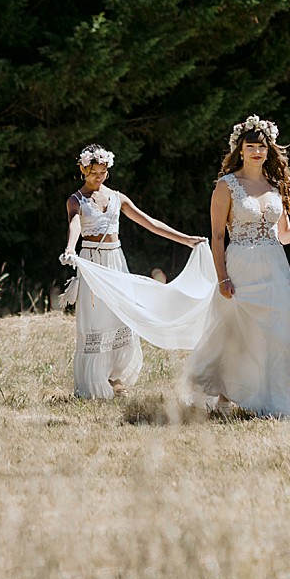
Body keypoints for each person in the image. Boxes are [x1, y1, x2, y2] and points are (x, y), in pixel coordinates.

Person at [180, 115, 290, 418]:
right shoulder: (226, 186)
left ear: (269, 150)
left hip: (275, 267)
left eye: (262, 147)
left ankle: (271, 395)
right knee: (236, 333)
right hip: (240, 265)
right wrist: (222, 277)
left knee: (277, 335)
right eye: (251, 147)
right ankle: (226, 393)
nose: (257, 152)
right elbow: (218, 236)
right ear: (240, 150)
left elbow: (283, 234)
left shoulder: (274, 186)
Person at [59, 144, 207, 399]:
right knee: (96, 319)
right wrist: (70, 248)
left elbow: (150, 223)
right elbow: (74, 223)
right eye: (93, 172)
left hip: (115, 261)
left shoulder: (118, 198)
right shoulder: (76, 199)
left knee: (121, 317)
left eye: (103, 172)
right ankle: (94, 382)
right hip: (92, 262)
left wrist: (187, 240)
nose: (99, 177)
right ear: (83, 170)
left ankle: (116, 376)